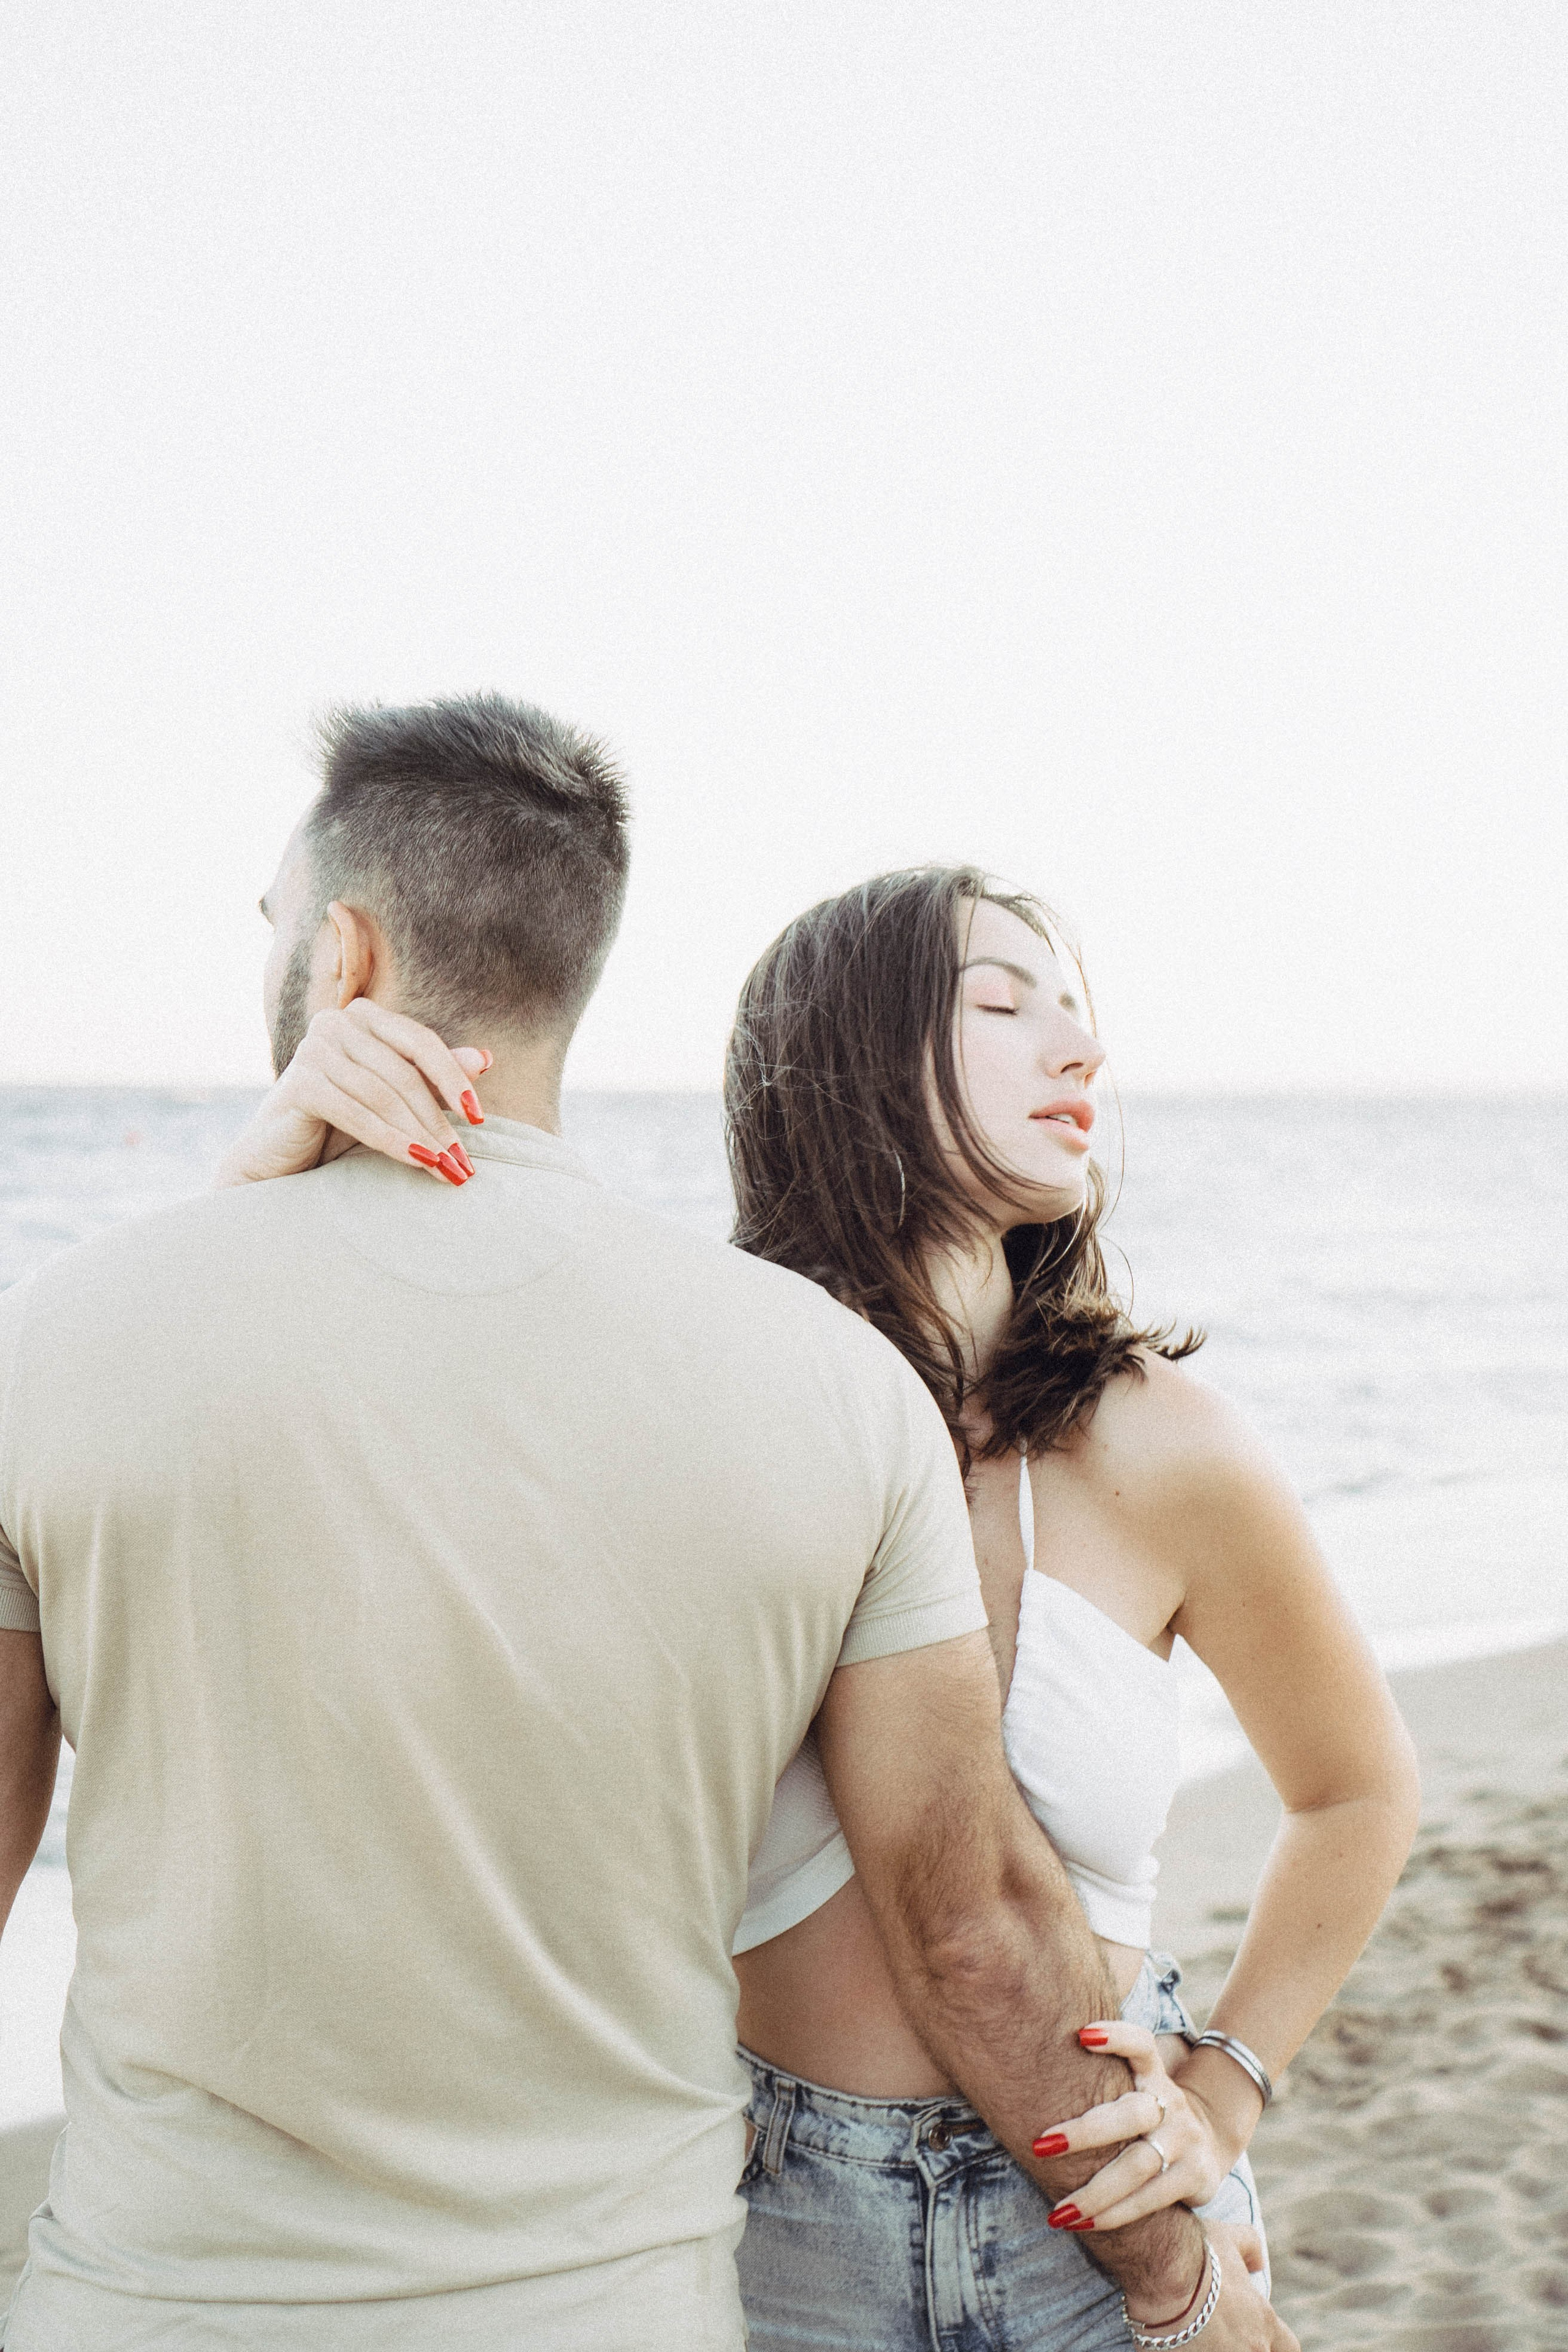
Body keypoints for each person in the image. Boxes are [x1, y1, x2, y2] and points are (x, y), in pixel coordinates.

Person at [0, 701, 1294, 2352]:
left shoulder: (53, 1349)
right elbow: (971, 1923)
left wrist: (220, 1226)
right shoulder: (824, 1393)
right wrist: (1179, 2284)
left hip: (154, 2311)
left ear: (342, 957)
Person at [264, 858, 1420, 2348]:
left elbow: (1354, 1790)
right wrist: (282, 1158)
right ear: (848, 1055)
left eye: (1076, 1015)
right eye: (1001, 1006)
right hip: (777, 2220)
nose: (1078, 1052)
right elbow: (334, 1501)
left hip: (1099, 2212)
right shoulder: (694, 1397)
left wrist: (1223, 2089)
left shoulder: (1156, 1443)